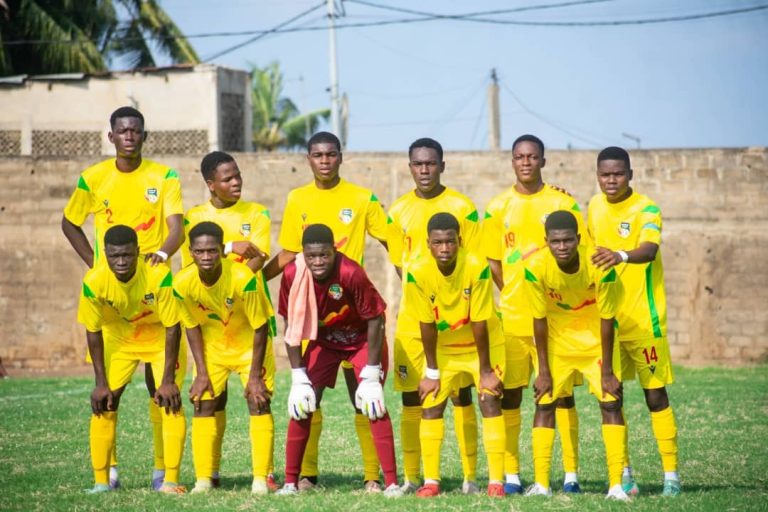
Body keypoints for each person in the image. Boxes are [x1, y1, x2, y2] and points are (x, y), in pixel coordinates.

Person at [62, 106, 185, 490]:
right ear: (111, 136)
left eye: (136, 131)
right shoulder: (93, 178)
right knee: (107, 394)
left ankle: (163, 473)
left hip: (151, 286)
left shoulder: (164, 176)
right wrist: (95, 264)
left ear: (144, 137)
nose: (129, 136)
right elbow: (69, 222)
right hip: (116, 296)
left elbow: (177, 226)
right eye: (122, 130)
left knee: (161, 392)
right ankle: (108, 474)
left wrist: (161, 255)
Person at [263, 131, 390, 491]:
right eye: (317, 155)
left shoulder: (361, 198)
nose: (324, 161)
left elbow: (390, 239)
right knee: (308, 399)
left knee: (363, 397)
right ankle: (307, 474)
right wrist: (256, 279)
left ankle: (373, 477)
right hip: (314, 318)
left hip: (353, 311)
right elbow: (289, 253)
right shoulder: (297, 198)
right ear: (308, 159)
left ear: (340, 157)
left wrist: (408, 272)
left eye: (330, 154)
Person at [481, 134, 585, 493]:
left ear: (543, 160)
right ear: (512, 161)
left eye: (532, 157)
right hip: (512, 318)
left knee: (561, 396)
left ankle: (570, 475)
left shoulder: (562, 202)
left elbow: (577, 253)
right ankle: (511, 474)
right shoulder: (496, 207)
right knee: (511, 395)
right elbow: (493, 261)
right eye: (519, 157)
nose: (525, 162)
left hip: (557, 321)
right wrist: (512, 290)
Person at [275, 224, 400, 496]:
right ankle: (289, 482)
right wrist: (298, 377)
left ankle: (389, 482)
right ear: (303, 255)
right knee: (302, 403)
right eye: (311, 256)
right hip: (325, 342)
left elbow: (376, 320)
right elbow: (291, 325)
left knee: (372, 403)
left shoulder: (350, 272)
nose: (318, 262)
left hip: (362, 340)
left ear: (334, 250)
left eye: (324, 255)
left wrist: (371, 373)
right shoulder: (293, 274)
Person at [387, 138, 482, 494]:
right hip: (414, 319)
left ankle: (471, 477)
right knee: (413, 396)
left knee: (461, 395)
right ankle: (415, 477)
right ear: (409, 166)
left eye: (430, 164)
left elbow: (470, 262)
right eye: (417, 164)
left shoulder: (463, 207)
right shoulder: (397, 211)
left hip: (457, 320)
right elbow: (400, 264)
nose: (424, 170)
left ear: (443, 165)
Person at [588, 146, 680, 497]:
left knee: (655, 395)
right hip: (608, 321)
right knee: (611, 397)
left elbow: (650, 250)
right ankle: (625, 473)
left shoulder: (647, 209)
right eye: (604, 174)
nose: (611, 180)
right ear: (597, 175)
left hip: (645, 321)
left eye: (618, 173)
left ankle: (671, 475)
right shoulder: (594, 206)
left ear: (631, 174)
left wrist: (620, 254)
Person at [181, 151, 275, 489]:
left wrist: (229, 282)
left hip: (249, 321)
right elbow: (193, 266)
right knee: (209, 399)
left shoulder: (257, 213)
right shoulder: (193, 217)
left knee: (258, 397)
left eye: (238, 176)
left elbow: (257, 261)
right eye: (227, 178)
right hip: (211, 329)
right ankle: (208, 476)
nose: (236, 182)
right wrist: (230, 246)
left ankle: (263, 476)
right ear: (210, 184)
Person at [523, 210, 628, 500]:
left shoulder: (600, 265)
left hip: (596, 341)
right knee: (544, 403)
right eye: (555, 241)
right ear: (546, 242)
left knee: (611, 403)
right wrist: (543, 370)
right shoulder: (535, 267)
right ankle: (542, 484)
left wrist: (607, 371)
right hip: (558, 342)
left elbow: (608, 319)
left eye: (568, 240)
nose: (562, 247)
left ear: (578, 239)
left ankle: (616, 485)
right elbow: (538, 319)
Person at [78, 225, 186, 494]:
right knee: (104, 402)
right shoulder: (94, 281)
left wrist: (168, 379)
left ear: (138, 252)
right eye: (115, 257)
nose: (122, 262)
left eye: (127, 255)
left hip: (161, 337)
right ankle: (102, 481)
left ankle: (167, 478)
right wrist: (100, 382)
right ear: (105, 255)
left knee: (169, 401)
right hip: (120, 338)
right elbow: (92, 331)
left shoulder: (158, 275)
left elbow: (173, 326)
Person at [404, 212, 506, 497]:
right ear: (428, 244)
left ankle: (496, 481)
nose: (445, 248)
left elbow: (480, 320)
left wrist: (485, 370)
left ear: (460, 241)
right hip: (444, 348)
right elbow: (426, 323)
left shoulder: (477, 266)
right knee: (431, 404)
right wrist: (432, 373)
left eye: (450, 241)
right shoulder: (417, 271)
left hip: (482, 345)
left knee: (488, 401)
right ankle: (432, 481)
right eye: (438, 243)